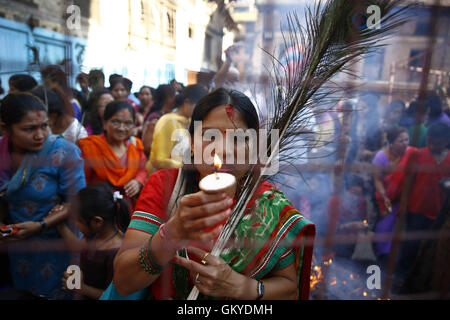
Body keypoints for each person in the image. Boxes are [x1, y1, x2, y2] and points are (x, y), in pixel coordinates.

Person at [102, 88, 316, 300]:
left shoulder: (268, 203)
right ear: (192, 143)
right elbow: (123, 282)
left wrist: (241, 286)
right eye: (209, 135)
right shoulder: (166, 186)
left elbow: (289, 289)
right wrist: (171, 234)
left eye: (239, 138)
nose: (223, 150)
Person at [0, 93, 86, 299]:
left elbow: (77, 201)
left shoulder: (64, 151)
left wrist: (41, 225)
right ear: (5, 129)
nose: (40, 135)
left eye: (44, 126)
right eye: (29, 129)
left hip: (60, 244)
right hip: (18, 245)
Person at [393, 122, 450, 292]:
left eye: (438, 143)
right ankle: (401, 276)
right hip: (416, 210)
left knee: (430, 249)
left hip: (438, 213)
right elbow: (407, 182)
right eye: (430, 141)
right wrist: (403, 206)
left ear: (447, 141)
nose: (433, 145)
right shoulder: (417, 155)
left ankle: (421, 282)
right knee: (410, 245)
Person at [51, 184, 130, 300]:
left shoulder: (116, 251)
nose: (76, 224)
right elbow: (77, 246)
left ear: (97, 221)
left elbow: (113, 296)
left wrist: (80, 287)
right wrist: (60, 225)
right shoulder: (95, 235)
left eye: (78, 220)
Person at [78, 101, 147, 211]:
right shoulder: (91, 147)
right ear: (104, 123)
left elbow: (142, 169)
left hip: (126, 210)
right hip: (97, 208)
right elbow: (82, 182)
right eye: (116, 122)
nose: (121, 128)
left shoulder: (135, 145)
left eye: (128, 123)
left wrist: (138, 181)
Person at [372, 126, 415, 260]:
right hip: (385, 197)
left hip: (404, 198)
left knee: (397, 227)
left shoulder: (412, 154)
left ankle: (393, 254)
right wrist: (385, 196)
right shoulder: (381, 156)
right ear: (391, 142)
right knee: (384, 227)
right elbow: (377, 179)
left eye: (406, 140)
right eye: (400, 140)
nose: (405, 143)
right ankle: (381, 253)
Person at [148, 84, 207, 172]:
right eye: (199, 106)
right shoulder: (168, 121)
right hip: (165, 178)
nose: (202, 111)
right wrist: (186, 165)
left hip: (181, 176)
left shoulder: (190, 121)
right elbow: (159, 160)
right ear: (186, 102)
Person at [141, 84, 176, 157]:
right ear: (168, 98)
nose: (176, 99)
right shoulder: (155, 117)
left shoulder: (170, 114)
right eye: (174, 96)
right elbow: (148, 146)